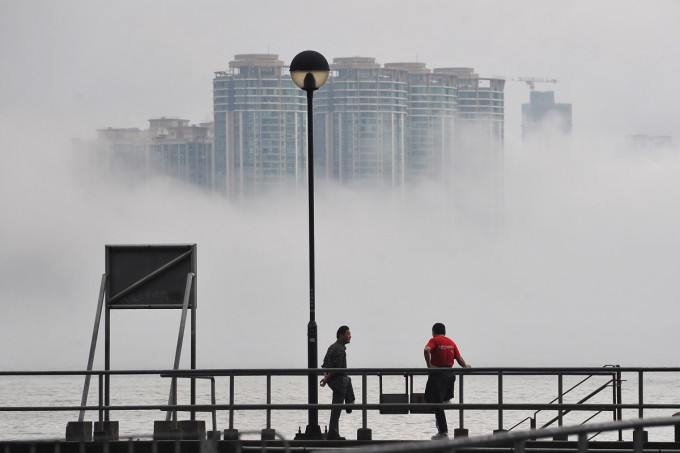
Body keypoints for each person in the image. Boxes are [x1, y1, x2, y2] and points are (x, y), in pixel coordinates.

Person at [424, 322, 471, 440]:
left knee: (434, 402)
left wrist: (429, 365)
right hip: (450, 375)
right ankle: (446, 400)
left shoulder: (434, 340)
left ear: (433, 332)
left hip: (438, 375)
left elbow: (426, 349)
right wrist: (465, 366)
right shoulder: (451, 342)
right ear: (445, 332)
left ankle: (443, 432)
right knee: (439, 401)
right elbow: (459, 358)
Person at [320, 325, 355, 440]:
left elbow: (325, 365)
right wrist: (326, 379)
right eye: (348, 334)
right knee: (336, 409)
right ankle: (333, 434)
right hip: (338, 380)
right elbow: (336, 369)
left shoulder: (331, 347)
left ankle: (350, 402)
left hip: (335, 380)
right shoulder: (340, 350)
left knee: (348, 379)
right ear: (341, 335)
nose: (350, 336)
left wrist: (326, 378)